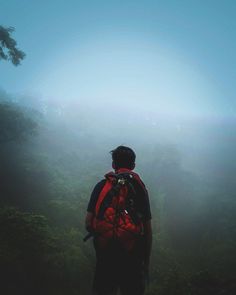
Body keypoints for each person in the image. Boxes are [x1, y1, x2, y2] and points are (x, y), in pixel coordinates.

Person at [85, 146, 152, 295]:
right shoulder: (139, 188)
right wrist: (146, 262)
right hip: (132, 255)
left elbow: (88, 222)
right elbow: (147, 229)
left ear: (113, 165)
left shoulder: (101, 186)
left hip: (106, 254)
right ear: (133, 166)